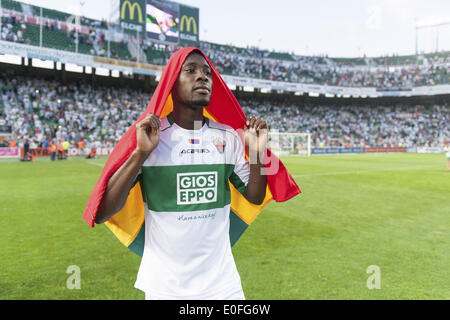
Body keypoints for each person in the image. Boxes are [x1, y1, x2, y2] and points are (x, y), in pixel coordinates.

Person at [94, 50, 269, 300]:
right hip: (165, 287)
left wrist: (257, 153)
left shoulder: (227, 136)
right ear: (171, 83)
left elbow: (255, 196)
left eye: (207, 73)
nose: (203, 77)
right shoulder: (151, 136)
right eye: (191, 71)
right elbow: (102, 214)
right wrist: (140, 154)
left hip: (223, 285)